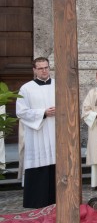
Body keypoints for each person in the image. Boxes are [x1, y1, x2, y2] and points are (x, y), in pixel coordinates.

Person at [16, 57, 56, 208]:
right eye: (40, 68)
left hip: (56, 132)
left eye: (46, 67)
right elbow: (21, 112)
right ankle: (38, 201)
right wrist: (43, 113)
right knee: (40, 165)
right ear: (34, 70)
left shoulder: (58, 85)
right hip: (38, 134)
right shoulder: (26, 88)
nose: (44, 70)